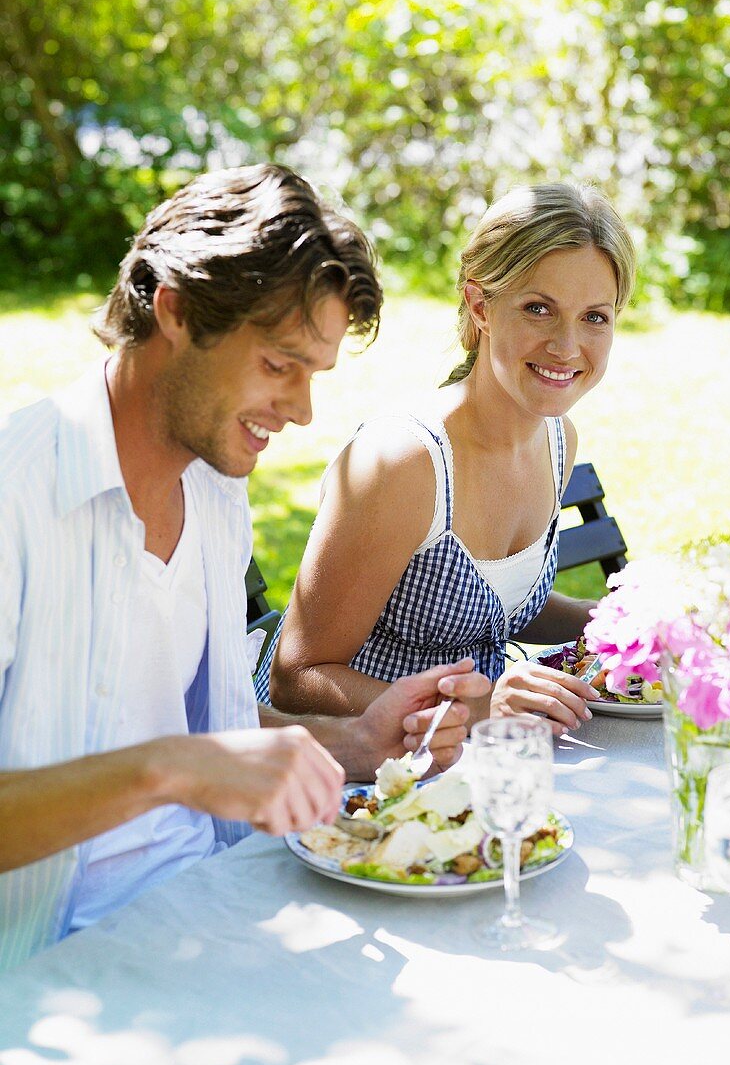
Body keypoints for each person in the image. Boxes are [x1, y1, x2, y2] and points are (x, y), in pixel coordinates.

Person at [0, 164, 488, 971]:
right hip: (47, 972)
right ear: (177, 310)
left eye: (312, 374)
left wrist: (360, 741)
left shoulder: (216, 494)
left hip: (218, 909)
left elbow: (211, 732)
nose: (301, 410)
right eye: (279, 364)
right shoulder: (16, 495)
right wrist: (167, 770)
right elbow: (180, 757)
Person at [259, 181, 636, 733]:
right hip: (358, 778)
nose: (566, 345)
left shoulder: (557, 440)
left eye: (595, 317)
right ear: (480, 304)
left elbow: (491, 609)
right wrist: (470, 709)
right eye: (538, 309)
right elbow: (297, 679)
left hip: (481, 767)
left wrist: (613, 623)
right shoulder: (401, 463)